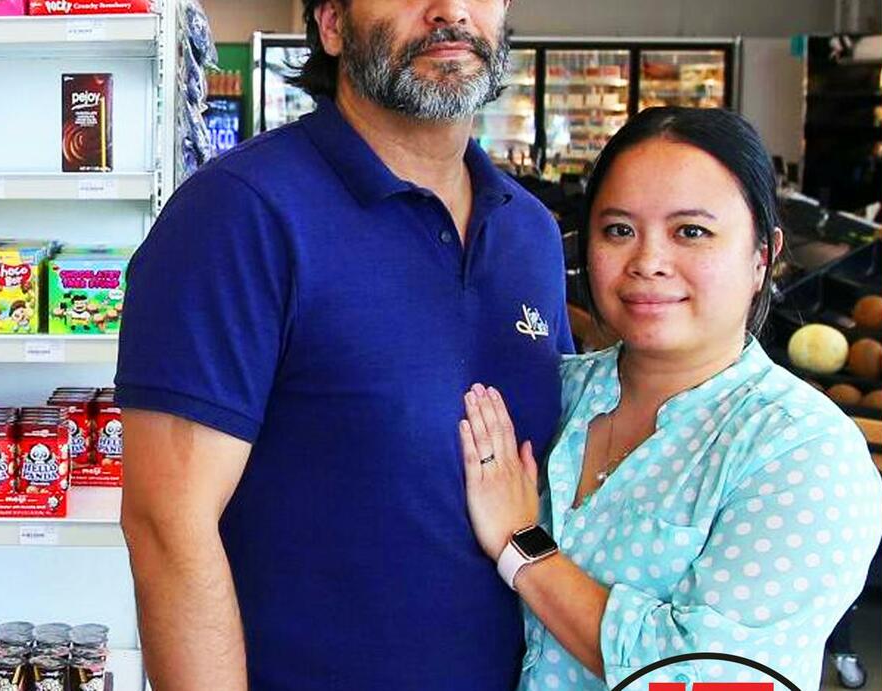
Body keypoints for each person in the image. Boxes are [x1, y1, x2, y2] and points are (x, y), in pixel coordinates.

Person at [116, 1, 573, 689]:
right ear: (332, 24)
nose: (450, 10)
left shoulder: (529, 231)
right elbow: (167, 526)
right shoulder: (238, 213)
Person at [459, 107, 882, 690]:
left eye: (691, 232)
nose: (648, 263)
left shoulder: (804, 451)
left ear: (763, 254)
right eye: (619, 230)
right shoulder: (556, 391)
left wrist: (522, 546)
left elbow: (701, 673)